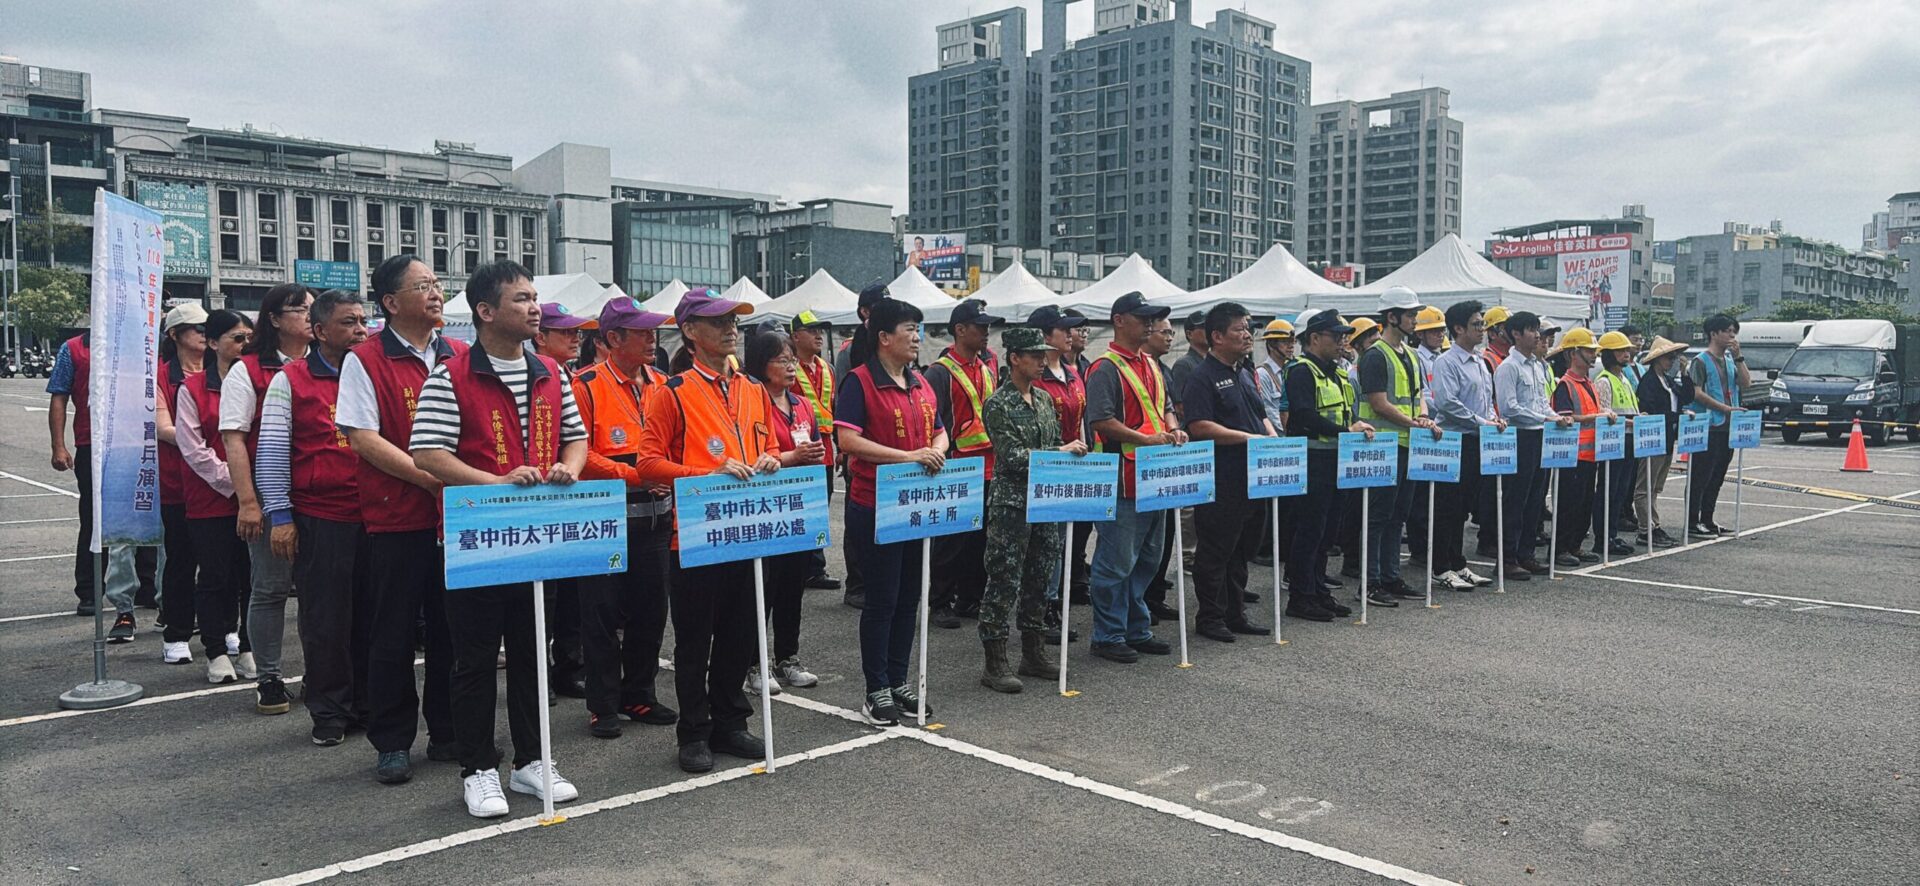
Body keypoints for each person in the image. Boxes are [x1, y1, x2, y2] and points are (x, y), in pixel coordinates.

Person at [410, 261, 590, 818]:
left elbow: (575, 440)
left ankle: (533, 761)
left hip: (538, 536)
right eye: (521, 299)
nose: (534, 308)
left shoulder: (550, 373)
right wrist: (495, 483)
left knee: (535, 652)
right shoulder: (449, 376)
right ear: (485, 312)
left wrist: (568, 468)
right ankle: (478, 767)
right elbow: (427, 453)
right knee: (475, 659)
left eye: (535, 298)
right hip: (478, 537)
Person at [635, 287, 779, 773]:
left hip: (748, 531)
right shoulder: (670, 393)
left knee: (741, 633)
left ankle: (730, 722)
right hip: (694, 534)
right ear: (691, 332)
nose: (731, 329)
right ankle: (694, 731)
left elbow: (772, 449)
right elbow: (648, 463)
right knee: (696, 639)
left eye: (733, 321)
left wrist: (771, 460)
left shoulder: (755, 390)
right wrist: (706, 476)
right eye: (718, 322)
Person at [338, 254, 465, 785]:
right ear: (390, 302)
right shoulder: (365, 359)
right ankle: (392, 741)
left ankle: (449, 731)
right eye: (423, 286)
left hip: (457, 517)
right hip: (398, 518)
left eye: (437, 285)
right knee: (390, 633)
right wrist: (428, 478)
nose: (436, 294)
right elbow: (363, 438)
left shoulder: (458, 353)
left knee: (452, 631)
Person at [255, 289, 372, 745]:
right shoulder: (293, 379)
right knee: (325, 620)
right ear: (320, 331)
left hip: (379, 516)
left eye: (363, 321)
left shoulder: (375, 373)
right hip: (323, 517)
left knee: (373, 617)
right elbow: (270, 452)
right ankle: (329, 710)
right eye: (348, 322)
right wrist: (280, 515)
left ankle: (367, 703)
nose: (360, 330)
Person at [568, 297, 680, 740]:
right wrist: (637, 474)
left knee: (650, 614)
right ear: (612, 339)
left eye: (653, 331)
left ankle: (640, 693)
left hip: (656, 520)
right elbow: (578, 453)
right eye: (642, 332)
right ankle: (603, 704)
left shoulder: (662, 383)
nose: (652, 339)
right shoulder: (586, 385)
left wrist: (666, 473)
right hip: (605, 517)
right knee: (599, 615)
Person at [834, 297, 946, 725]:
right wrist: (908, 456)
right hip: (875, 506)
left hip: (917, 505)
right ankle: (875, 688)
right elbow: (848, 441)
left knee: (909, 599)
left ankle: (899, 680)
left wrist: (934, 450)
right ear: (883, 337)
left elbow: (941, 431)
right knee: (882, 600)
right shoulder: (860, 383)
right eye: (909, 330)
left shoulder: (919, 382)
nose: (917, 337)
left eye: (918, 329)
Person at [978, 326, 1088, 691]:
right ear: (1014, 358)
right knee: (1004, 578)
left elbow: (1054, 441)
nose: (1043, 361)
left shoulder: (1042, 401)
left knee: (1040, 578)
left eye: (1044, 354)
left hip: (1044, 501)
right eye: (1035, 355)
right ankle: (995, 662)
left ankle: (1033, 652)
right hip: (1012, 503)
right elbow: (1011, 456)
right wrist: (1061, 452)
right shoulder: (998, 404)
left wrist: (1067, 453)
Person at [222, 282, 314, 716]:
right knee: (271, 586)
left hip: (321, 493)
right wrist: (249, 502)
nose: (309, 317)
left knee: (322, 589)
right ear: (274, 319)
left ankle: (322, 671)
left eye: (313, 309)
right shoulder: (248, 371)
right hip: (270, 492)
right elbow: (235, 441)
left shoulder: (330, 362)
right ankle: (270, 677)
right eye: (299, 310)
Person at [46, 328, 158, 628]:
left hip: (138, 443)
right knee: (94, 518)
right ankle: (89, 590)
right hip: (92, 445)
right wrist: (59, 446)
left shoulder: (139, 343)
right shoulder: (74, 348)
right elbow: (59, 396)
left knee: (143, 512)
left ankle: (147, 586)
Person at [1181, 302, 1276, 639]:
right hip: (1222, 477)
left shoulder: (1245, 373)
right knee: (1217, 549)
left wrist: (1270, 435)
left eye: (1248, 328)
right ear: (1217, 336)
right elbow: (1199, 425)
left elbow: (1261, 414)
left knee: (1243, 549)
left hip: (1254, 475)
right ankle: (1210, 618)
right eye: (1239, 329)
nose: (1248, 334)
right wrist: (1248, 438)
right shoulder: (1202, 377)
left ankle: (1236, 613)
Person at [742, 328, 829, 696]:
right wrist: (792, 457)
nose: (792, 366)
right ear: (763, 364)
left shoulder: (801, 403)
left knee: (793, 586)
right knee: (764, 586)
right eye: (783, 359)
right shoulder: (750, 400)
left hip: (799, 504)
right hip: (765, 507)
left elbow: (815, 443)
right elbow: (750, 455)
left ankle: (787, 657)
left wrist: (816, 455)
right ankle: (752, 662)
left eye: (793, 359)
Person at [175, 310, 258, 684]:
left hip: (257, 495)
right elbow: (193, 449)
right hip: (213, 498)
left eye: (248, 338)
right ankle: (216, 652)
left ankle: (249, 646)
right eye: (236, 338)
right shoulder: (191, 389)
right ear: (212, 343)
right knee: (214, 576)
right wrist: (237, 485)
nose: (245, 345)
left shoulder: (262, 382)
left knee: (253, 577)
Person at [1284, 310, 1376, 619]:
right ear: (1314, 338)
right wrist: (1344, 431)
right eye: (1336, 336)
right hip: (1313, 459)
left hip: (1338, 458)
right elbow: (1303, 415)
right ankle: (1301, 596)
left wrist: (1357, 426)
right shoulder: (1301, 370)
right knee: (1310, 530)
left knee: (1327, 532)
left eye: (1344, 336)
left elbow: (1346, 412)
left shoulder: (1337, 372)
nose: (1342, 342)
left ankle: (1318, 589)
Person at [921, 298, 1002, 628]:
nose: (986, 332)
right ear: (959, 330)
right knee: (951, 541)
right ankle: (939, 601)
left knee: (979, 540)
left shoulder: (985, 368)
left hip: (987, 466)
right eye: (980, 327)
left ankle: (970, 598)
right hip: (956, 467)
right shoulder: (940, 373)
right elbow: (931, 421)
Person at [1357, 287, 1440, 603]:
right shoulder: (1375, 355)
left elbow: (1419, 396)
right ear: (1392, 317)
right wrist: (1415, 422)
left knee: (1397, 514)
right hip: (1381, 445)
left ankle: (1390, 577)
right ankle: (1370, 583)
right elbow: (1378, 403)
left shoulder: (1413, 354)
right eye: (1410, 315)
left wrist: (1423, 416)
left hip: (1406, 444)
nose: (1415, 321)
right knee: (1377, 516)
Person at [533, 302, 596, 699]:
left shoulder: (570, 376)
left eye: (578, 333)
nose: (575, 339)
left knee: (573, 591)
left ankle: (569, 666)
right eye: (565, 332)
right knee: (544, 596)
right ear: (539, 336)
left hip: (576, 494)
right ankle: (540, 672)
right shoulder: (530, 378)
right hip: (540, 497)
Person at [1426, 302, 1500, 592]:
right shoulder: (1447, 361)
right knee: (1447, 506)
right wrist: (1481, 421)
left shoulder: (1480, 361)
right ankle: (1441, 566)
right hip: (1454, 441)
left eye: (1482, 324)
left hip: (1476, 439)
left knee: (1464, 507)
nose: (1482, 329)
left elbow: (1485, 400)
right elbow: (1446, 403)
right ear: (1458, 329)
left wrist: (1493, 419)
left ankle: (1458, 562)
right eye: (1476, 324)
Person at [1027, 305, 1089, 632]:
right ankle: (1041, 611)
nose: (1070, 335)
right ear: (1044, 337)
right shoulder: (1033, 377)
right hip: (1045, 466)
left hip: (1072, 466)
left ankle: (1054, 604)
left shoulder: (1073, 372)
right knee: (1044, 545)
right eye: (1063, 329)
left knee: (1063, 541)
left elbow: (1079, 420)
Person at [1493, 312, 1568, 578]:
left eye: (1538, 330)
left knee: (1535, 499)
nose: (1537, 335)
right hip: (1519, 437)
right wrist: (1546, 417)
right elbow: (1509, 408)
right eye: (1531, 329)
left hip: (1540, 434)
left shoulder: (1538, 366)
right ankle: (1507, 558)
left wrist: (1554, 416)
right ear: (1515, 334)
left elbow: (1541, 401)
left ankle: (1526, 554)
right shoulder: (1508, 367)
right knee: (1516, 500)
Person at [154, 303, 209, 663]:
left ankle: (222, 628)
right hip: (179, 483)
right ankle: (176, 633)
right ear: (174, 335)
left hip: (220, 481)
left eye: (206, 327)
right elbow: (162, 428)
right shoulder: (159, 377)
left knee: (224, 562)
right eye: (194, 328)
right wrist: (209, 439)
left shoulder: (226, 370)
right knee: (181, 559)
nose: (203, 333)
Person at [1549, 329, 1616, 568]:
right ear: (1572, 354)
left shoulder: (1587, 383)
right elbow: (1565, 417)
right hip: (1573, 455)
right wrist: (1598, 416)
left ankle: (1574, 544)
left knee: (1584, 503)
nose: (1593, 355)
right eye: (1588, 350)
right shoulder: (1565, 385)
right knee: (1569, 504)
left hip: (1590, 454)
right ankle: (1560, 548)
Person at [788, 310, 842, 592]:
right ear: (796, 336)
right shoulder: (787, 367)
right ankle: (799, 566)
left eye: (820, 330)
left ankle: (814, 568)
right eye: (811, 330)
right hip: (796, 452)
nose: (819, 335)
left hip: (824, 450)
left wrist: (841, 447)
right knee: (799, 506)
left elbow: (835, 409)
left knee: (820, 507)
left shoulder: (827, 368)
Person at [1686, 314, 1748, 536]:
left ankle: (1708, 519)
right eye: (1728, 331)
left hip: (1728, 427)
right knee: (1701, 476)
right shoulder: (1700, 361)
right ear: (1714, 333)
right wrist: (1723, 408)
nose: (1732, 335)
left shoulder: (1731, 360)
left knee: (1717, 476)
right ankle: (1692, 521)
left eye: (1734, 331)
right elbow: (1696, 392)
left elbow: (1745, 383)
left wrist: (1739, 358)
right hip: (1708, 426)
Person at [1143, 313, 1183, 623]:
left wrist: (1173, 429)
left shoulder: (1159, 369)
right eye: (1164, 332)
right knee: (1131, 551)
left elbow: (1167, 407)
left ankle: (1152, 597)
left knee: (1161, 541)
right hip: (1135, 468)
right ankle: (1134, 610)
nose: (1169, 337)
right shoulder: (1111, 368)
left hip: (1162, 463)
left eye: (1172, 333)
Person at [1634, 337, 1691, 549]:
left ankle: (1653, 524)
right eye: (1668, 357)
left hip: (1667, 437)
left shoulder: (1667, 380)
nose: (1671, 361)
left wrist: (1684, 374)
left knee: (1655, 486)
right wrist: (1675, 417)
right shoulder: (1649, 382)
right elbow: (1652, 411)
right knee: (1644, 486)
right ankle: (1645, 528)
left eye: (1673, 357)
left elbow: (1686, 397)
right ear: (1657, 359)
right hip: (1653, 437)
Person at [1592, 331, 1641, 555]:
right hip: (1613, 441)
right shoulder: (1604, 381)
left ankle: (1612, 535)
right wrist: (1631, 421)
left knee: (1620, 492)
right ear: (1610, 354)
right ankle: (1603, 538)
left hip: (1629, 439)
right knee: (1608, 491)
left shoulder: (1625, 379)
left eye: (1627, 350)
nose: (1626, 354)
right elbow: (1604, 412)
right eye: (1621, 351)